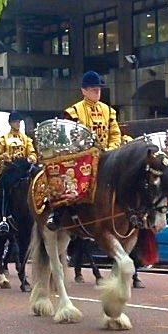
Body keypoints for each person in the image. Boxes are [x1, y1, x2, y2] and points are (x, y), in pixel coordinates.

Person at [48, 71, 126, 229]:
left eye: (98, 89)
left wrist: (111, 150)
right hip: (82, 157)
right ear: (84, 91)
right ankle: (59, 212)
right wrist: (86, 151)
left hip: (107, 154)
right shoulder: (74, 111)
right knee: (70, 178)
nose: (97, 92)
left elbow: (115, 133)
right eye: (93, 89)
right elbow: (67, 138)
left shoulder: (108, 111)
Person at [0, 112, 37, 233]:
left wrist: (31, 158)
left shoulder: (26, 139)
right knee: (3, 184)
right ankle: (4, 218)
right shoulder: (3, 139)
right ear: (10, 123)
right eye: (16, 122)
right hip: (10, 169)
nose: (18, 124)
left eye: (19, 122)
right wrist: (2, 157)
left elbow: (32, 152)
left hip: (24, 168)